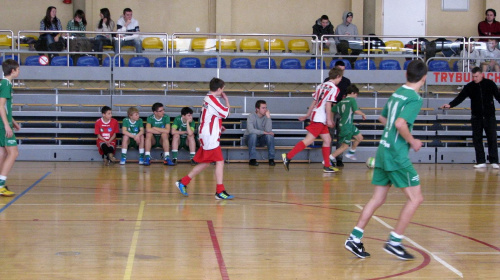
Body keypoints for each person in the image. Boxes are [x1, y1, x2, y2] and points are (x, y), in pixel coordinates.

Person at [344, 60, 428, 260]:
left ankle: (354, 238)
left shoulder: (397, 92)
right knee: (416, 198)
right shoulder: (414, 98)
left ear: (405, 75)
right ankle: (395, 241)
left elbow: (384, 119)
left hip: (383, 150)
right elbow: (400, 123)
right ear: (424, 78)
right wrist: (413, 141)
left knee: (378, 198)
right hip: (396, 154)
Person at [175, 78, 234, 200]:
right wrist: (227, 100)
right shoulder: (213, 100)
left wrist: (218, 126)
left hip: (207, 134)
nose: (223, 91)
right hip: (209, 136)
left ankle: (183, 182)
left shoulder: (208, 98)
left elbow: (210, 116)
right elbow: (226, 113)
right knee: (220, 161)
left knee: (206, 163)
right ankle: (219, 191)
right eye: (223, 89)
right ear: (219, 89)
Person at [282, 68, 343, 173]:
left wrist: (307, 115)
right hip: (320, 118)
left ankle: (327, 165)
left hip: (317, 116)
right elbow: (328, 104)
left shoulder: (320, 86)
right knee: (308, 140)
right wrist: (329, 119)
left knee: (327, 140)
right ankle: (288, 156)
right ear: (338, 76)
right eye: (341, 78)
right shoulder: (334, 88)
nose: (340, 80)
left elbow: (314, 102)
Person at [441, 67, 500, 169]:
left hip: (490, 117)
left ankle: (494, 161)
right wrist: (450, 105)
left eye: (476, 76)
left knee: (492, 139)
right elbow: (460, 97)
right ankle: (480, 161)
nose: (475, 78)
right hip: (476, 117)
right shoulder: (470, 86)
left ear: (481, 74)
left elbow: (498, 96)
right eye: (473, 76)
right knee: (477, 139)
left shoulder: (490, 84)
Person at [328, 84, 366, 165]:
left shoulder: (342, 101)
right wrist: (363, 114)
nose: (356, 96)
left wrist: (331, 119)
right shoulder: (352, 100)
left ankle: (351, 153)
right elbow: (356, 111)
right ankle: (328, 159)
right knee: (344, 146)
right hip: (346, 126)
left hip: (348, 125)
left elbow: (332, 110)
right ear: (352, 93)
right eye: (356, 94)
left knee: (359, 137)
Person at [0, 59, 20, 197]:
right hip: (2, 124)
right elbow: (0, 105)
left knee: (3, 153)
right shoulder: (6, 84)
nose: (19, 72)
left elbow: (5, 107)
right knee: (13, 153)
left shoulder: (3, 83)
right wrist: (7, 124)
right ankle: (1, 185)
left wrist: (12, 121)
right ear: (13, 71)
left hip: (4, 122)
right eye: (18, 69)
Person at [326, 60, 352, 167]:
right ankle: (328, 159)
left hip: (343, 110)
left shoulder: (346, 81)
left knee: (341, 136)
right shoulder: (328, 81)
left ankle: (339, 158)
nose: (342, 72)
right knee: (329, 136)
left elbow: (349, 94)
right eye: (340, 70)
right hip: (332, 109)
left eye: (343, 70)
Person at [244, 100, 275, 166]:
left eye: (266, 108)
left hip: (261, 139)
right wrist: (264, 132)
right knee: (253, 135)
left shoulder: (267, 116)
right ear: (257, 109)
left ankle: (271, 159)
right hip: (250, 139)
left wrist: (269, 118)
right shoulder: (251, 116)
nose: (265, 110)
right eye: (263, 108)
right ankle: (252, 160)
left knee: (269, 136)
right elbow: (251, 130)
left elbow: (268, 130)